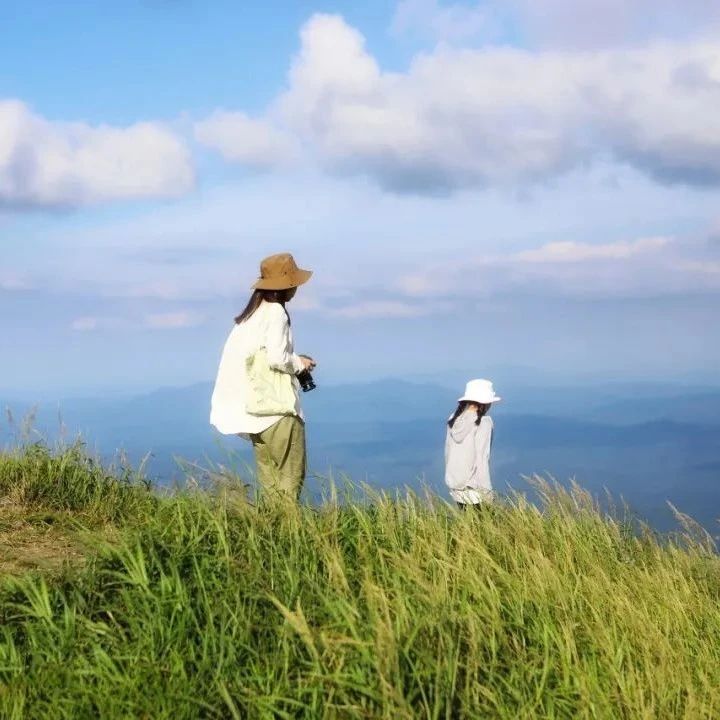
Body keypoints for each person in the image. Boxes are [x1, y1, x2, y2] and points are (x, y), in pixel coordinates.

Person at [210, 253, 316, 501]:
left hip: (257, 415)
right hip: (279, 414)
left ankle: (269, 532)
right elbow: (278, 358)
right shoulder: (276, 313)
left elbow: (259, 359)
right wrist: (300, 363)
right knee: (289, 486)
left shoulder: (250, 317)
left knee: (270, 488)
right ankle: (290, 537)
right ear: (287, 284)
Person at [444, 379, 501, 509]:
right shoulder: (483, 423)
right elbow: (481, 460)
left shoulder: (453, 419)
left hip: (457, 488)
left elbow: (448, 453)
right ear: (484, 403)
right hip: (476, 491)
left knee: (466, 526)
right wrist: (487, 493)